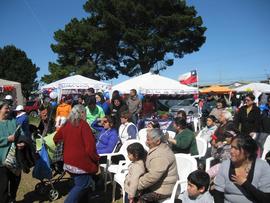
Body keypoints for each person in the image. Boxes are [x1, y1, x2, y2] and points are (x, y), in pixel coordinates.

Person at [53, 104, 99, 203]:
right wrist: (96, 158)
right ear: (81, 113)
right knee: (83, 185)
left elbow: (56, 138)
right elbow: (90, 148)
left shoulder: (67, 124)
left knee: (83, 186)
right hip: (80, 163)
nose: (85, 115)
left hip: (68, 161)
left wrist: (67, 144)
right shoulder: (83, 124)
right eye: (85, 113)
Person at [213, 135, 270, 203]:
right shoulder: (225, 165)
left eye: (236, 148)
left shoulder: (263, 167)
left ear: (247, 152)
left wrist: (245, 184)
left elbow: (266, 199)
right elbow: (218, 195)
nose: (231, 151)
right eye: (231, 147)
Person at [0, 100, 31, 203]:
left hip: (15, 159)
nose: (9, 110)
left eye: (9, 108)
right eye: (6, 108)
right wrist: (7, 139)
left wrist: (23, 143)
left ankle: (12, 199)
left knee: (15, 182)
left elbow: (21, 133)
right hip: (1, 161)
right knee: (2, 188)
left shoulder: (13, 121)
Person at [138, 128, 178, 202]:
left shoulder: (161, 155)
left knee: (141, 198)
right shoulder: (158, 148)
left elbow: (152, 177)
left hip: (164, 189)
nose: (146, 142)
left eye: (148, 139)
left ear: (158, 141)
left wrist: (137, 184)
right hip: (156, 184)